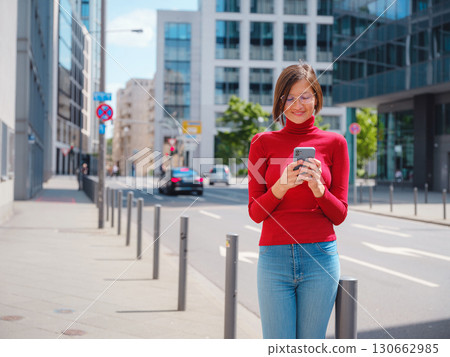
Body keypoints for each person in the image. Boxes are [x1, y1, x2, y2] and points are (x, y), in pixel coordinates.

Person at [248, 62, 350, 339]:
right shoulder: (261, 143)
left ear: (316, 97)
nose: (297, 104)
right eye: (289, 97)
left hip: (321, 257)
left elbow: (339, 214)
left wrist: (319, 189)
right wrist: (281, 185)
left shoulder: (336, 143)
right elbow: (255, 213)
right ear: (280, 102)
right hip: (274, 258)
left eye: (305, 95)